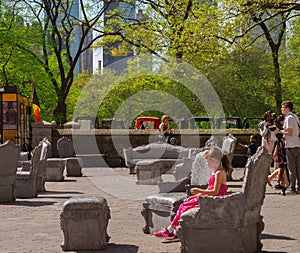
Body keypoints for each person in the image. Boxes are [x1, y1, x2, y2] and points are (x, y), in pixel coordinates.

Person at [153, 148, 230, 243]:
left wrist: (198, 191)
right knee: (185, 204)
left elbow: (215, 191)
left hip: (213, 201)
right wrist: (196, 196)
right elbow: (210, 189)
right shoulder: (216, 172)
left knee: (183, 206)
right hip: (208, 198)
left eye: (207, 161)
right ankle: (173, 230)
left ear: (214, 160)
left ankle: (172, 231)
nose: (207, 164)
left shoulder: (219, 173)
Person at [280, 101, 300, 194]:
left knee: (291, 168)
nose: (281, 109)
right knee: (298, 167)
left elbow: (290, 132)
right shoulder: (295, 117)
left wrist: (280, 132)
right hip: (297, 144)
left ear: (287, 108)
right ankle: (299, 186)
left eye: (283, 107)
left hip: (291, 145)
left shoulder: (289, 118)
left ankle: (292, 187)